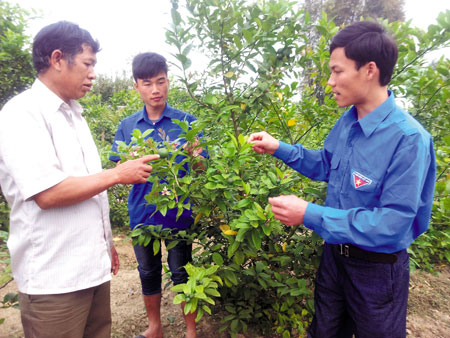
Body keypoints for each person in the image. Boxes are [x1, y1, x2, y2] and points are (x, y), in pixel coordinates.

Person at [249, 21, 436, 337]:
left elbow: (393, 223)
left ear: (369, 70)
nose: (329, 81)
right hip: (335, 258)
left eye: (337, 71)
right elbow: (326, 164)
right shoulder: (348, 122)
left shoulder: (408, 139)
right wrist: (278, 147)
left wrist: (309, 214)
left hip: (377, 271)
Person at [0, 21, 159, 338]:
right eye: (88, 64)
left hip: (90, 270)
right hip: (54, 278)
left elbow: (89, 189)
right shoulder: (22, 114)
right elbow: (47, 193)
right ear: (58, 59)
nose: (93, 74)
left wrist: (105, 243)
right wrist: (117, 174)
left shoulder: (75, 115)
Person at [110, 52, 206, 338]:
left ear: (168, 82)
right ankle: (154, 328)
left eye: (161, 81)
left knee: (181, 272)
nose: (155, 89)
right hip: (142, 213)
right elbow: (118, 168)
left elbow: (202, 168)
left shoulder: (186, 122)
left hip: (179, 212)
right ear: (137, 86)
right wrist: (129, 160)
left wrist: (196, 154)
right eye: (147, 83)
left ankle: (190, 331)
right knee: (148, 271)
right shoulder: (128, 127)